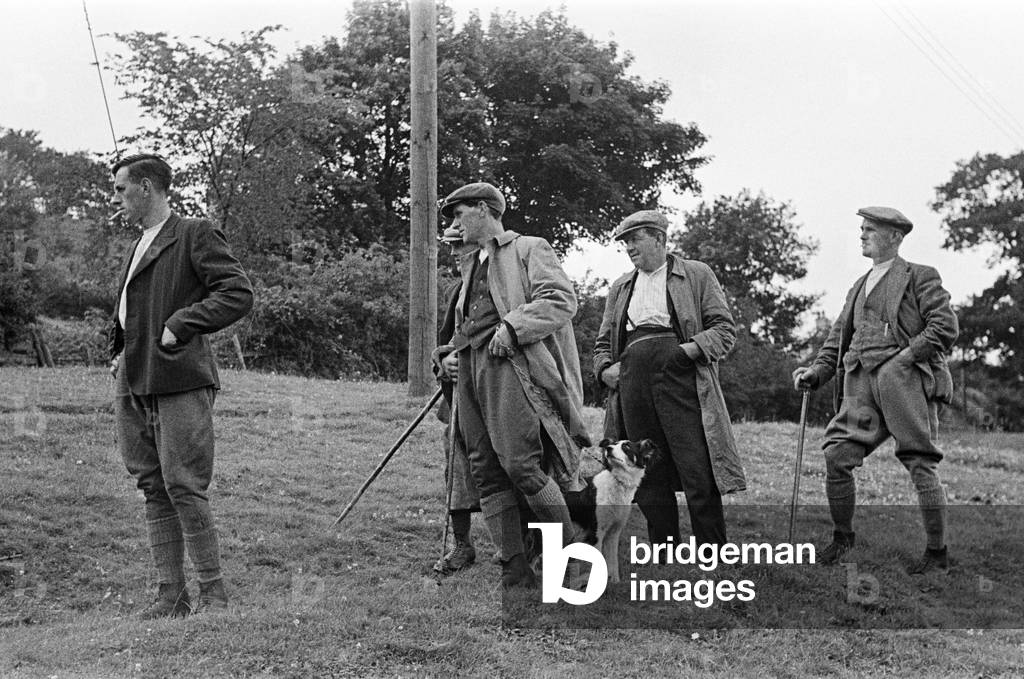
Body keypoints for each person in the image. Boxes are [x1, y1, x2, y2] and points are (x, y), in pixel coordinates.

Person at [107, 154, 253, 617]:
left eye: (120, 189)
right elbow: (132, 309)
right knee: (152, 484)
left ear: (146, 187)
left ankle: (214, 595)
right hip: (134, 378)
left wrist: (182, 323)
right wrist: (120, 349)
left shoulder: (194, 232)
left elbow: (237, 292)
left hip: (180, 378)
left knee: (183, 483)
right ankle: (171, 596)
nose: (117, 199)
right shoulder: (137, 244)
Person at [435, 182, 590, 589]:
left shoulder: (529, 248)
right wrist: (448, 355)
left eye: (459, 214)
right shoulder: (470, 262)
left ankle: (570, 559)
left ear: (484, 210)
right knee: (485, 471)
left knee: (520, 464)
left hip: (511, 367)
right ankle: (513, 567)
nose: (453, 224)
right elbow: (464, 323)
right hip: (470, 371)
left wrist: (513, 327)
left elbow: (560, 299)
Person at [792, 206, 958, 574]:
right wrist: (817, 372)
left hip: (905, 383)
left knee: (920, 461)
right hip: (859, 382)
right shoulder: (858, 285)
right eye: (862, 229)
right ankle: (842, 539)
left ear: (895, 237)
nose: (862, 235)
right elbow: (838, 340)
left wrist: (905, 358)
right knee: (837, 456)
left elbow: (944, 326)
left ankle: (936, 554)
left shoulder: (919, 276)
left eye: (871, 230)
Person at [593, 210, 745, 547]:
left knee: (697, 467)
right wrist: (606, 370)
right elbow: (603, 343)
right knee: (647, 469)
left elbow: (724, 330)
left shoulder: (695, 274)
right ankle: (665, 551)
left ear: (659, 239)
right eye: (625, 242)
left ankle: (713, 551)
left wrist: (684, 353)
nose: (629, 248)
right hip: (632, 382)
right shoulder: (620, 287)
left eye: (635, 239)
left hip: (680, 378)